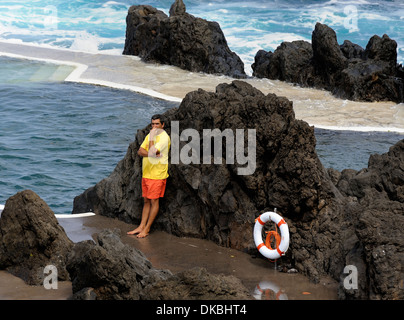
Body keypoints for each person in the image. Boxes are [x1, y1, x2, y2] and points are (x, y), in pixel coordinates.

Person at [127, 114, 171, 238]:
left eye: (157, 124)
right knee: (146, 201)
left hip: (157, 175)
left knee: (154, 201)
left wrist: (151, 140)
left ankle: (147, 229)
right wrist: (151, 154)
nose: (154, 126)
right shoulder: (149, 135)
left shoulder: (163, 138)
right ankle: (141, 226)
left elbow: (150, 150)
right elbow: (140, 151)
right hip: (146, 173)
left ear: (163, 125)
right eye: (152, 124)